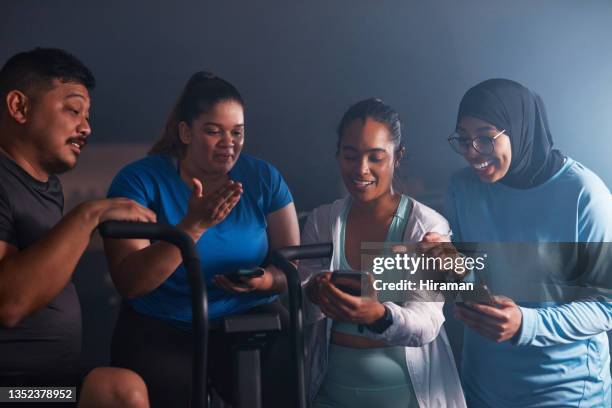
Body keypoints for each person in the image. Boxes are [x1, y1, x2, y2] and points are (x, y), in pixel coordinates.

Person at [104, 71, 300, 407]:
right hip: (164, 323)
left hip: (249, 314)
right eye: (213, 131)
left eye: (237, 132)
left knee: (289, 364)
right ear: (185, 132)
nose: (229, 143)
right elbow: (130, 283)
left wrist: (266, 279)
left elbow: (291, 267)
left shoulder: (263, 178)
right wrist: (194, 225)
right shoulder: (139, 181)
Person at [445, 78, 612, 407]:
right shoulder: (461, 188)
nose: (472, 153)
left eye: (485, 138)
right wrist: (440, 259)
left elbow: (606, 305)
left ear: (519, 128)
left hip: (565, 391)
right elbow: (466, 283)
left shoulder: (583, 193)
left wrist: (527, 323)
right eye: (463, 140)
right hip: (482, 386)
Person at [0, 48, 152, 407]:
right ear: (19, 107)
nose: (86, 128)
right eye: (73, 110)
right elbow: (9, 303)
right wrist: (87, 216)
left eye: (87, 115)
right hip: (12, 392)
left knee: (122, 391)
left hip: (51, 386)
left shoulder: (47, 188)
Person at [299, 98, 466, 408]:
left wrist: (379, 315)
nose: (361, 169)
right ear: (338, 155)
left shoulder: (426, 225)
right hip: (330, 394)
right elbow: (306, 312)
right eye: (350, 156)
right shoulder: (323, 220)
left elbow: (427, 323)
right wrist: (313, 292)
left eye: (376, 157)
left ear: (397, 157)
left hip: (404, 397)